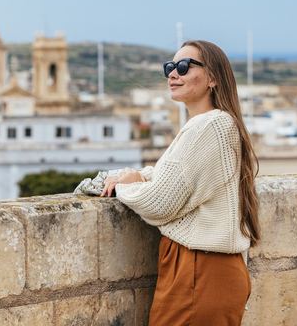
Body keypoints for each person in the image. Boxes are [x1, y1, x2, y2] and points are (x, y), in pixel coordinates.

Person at [101, 40, 260, 326]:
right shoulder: (220, 124)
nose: (174, 74)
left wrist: (128, 185)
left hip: (199, 271)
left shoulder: (208, 126)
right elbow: (183, 180)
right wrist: (140, 176)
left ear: (213, 78)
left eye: (184, 67)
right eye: (170, 67)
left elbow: (162, 202)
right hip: (208, 271)